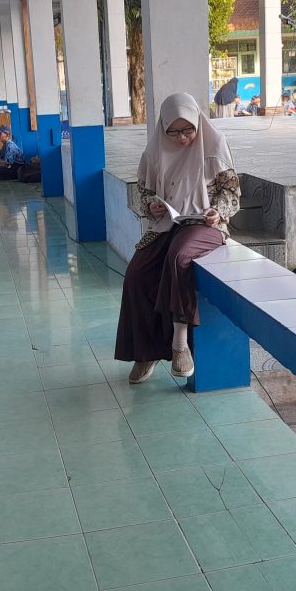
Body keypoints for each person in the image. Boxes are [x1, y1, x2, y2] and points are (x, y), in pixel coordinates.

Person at [114, 92, 240, 383]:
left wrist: (218, 212)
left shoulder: (214, 144)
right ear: (163, 127)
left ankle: (180, 343)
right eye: (174, 132)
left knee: (179, 257)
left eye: (188, 130)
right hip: (167, 224)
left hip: (205, 225)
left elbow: (231, 192)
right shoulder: (154, 152)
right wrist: (152, 206)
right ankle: (145, 353)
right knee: (136, 274)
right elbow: (143, 194)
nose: (182, 138)